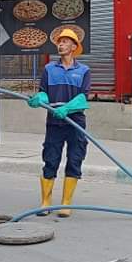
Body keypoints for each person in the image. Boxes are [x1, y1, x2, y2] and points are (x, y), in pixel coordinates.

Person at [27, 29, 91, 217]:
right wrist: (39, 98)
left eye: (65, 42)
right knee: (50, 159)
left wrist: (67, 108)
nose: (60, 45)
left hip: (75, 122)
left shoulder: (83, 71)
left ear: (74, 46)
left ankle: (66, 203)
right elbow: (44, 92)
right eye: (59, 42)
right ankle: (45, 202)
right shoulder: (49, 69)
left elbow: (83, 98)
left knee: (75, 159)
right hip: (54, 122)